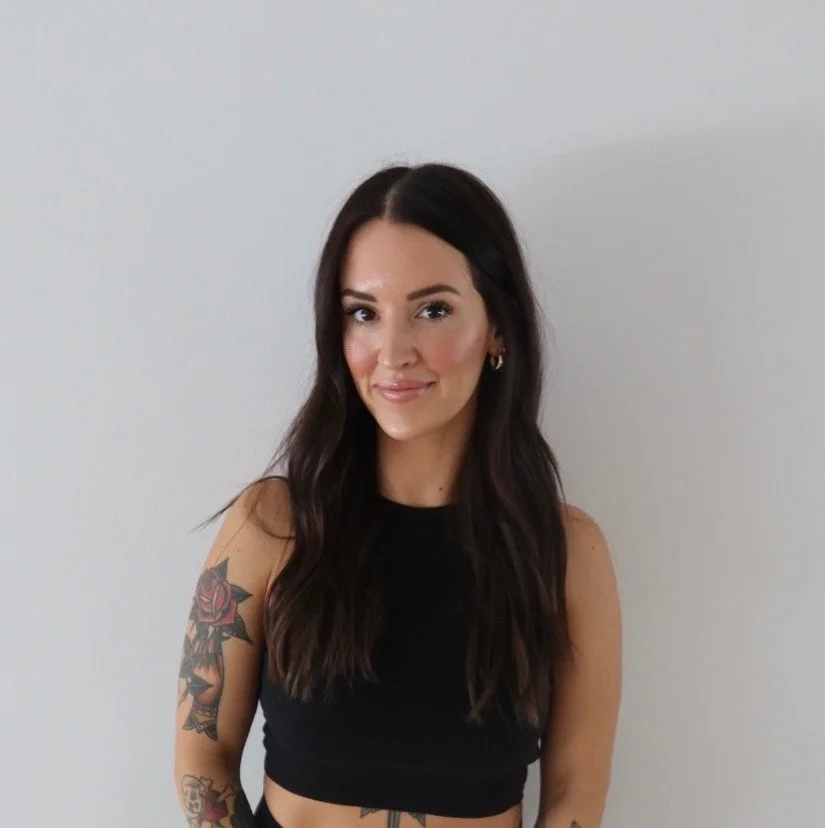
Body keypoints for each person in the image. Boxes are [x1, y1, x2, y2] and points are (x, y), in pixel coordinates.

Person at [173, 162, 622, 828]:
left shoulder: (562, 554)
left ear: (496, 327)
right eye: (363, 313)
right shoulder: (271, 526)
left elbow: (573, 799)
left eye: (432, 310)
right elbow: (202, 757)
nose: (393, 351)